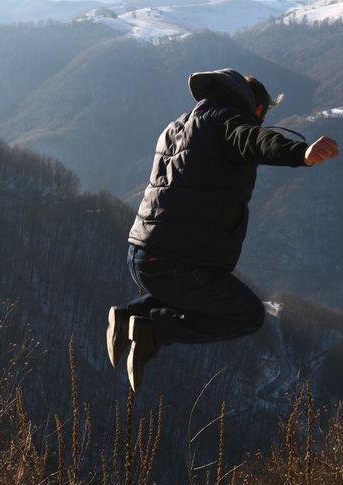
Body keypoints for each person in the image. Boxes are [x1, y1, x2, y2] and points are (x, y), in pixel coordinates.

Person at [107, 68, 339, 392]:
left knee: (204, 293)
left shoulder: (178, 126)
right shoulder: (228, 122)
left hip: (141, 255)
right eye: (263, 115)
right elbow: (255, 140)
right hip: (174, 264)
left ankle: (130, 313)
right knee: (247, 315)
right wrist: (300, 153)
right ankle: (153, 332)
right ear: (257, 109)